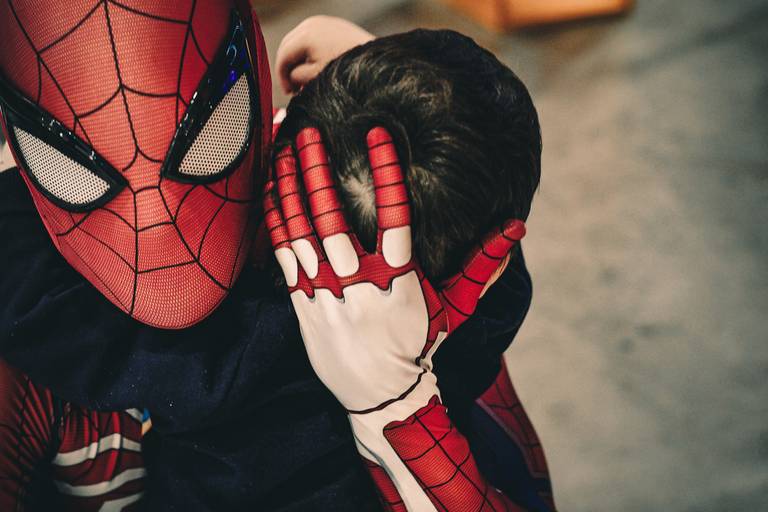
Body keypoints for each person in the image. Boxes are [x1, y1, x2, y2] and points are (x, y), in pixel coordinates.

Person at [0, 5, 543, 511]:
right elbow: (493, 225)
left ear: (279, 173)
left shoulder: (210, 367)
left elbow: (39, 307)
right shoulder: (485, 307)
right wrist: (393, 83)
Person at [266, 28, 555, 511]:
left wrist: (366, 87)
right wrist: (394, 404)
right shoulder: (494, 300)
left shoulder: (201, 370)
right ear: (490, 266)